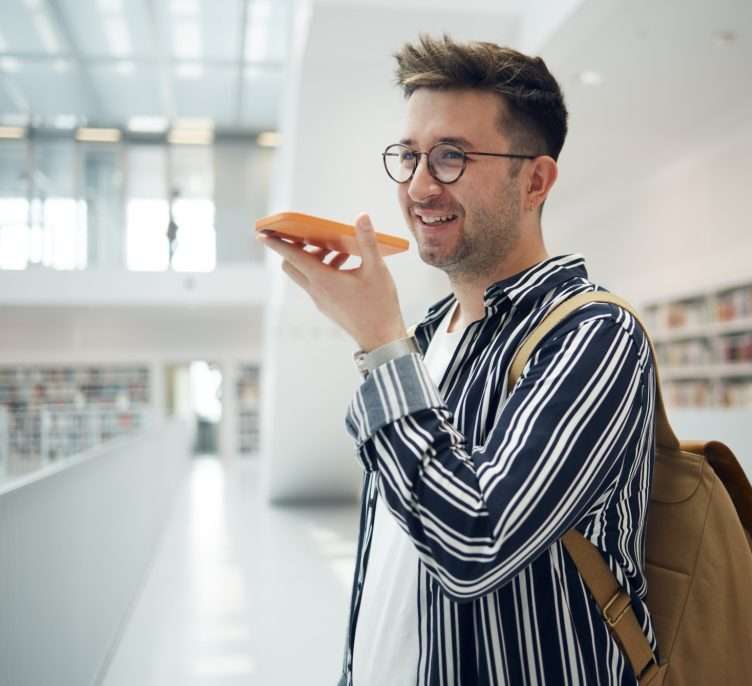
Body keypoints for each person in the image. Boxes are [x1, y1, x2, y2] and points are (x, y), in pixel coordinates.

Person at [259, 35, 657, 686]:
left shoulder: (595, 335)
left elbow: (475, 541)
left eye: (450, 157)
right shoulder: (428, 336)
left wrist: (379, 343)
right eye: (409, 156)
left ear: (535, 178)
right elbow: (395, 547)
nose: (419, 186)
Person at [166, 188, 180, 267]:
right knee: (172, 246)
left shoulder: (173, 205)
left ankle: (171, 262)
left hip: (172, 229)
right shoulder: (171, 205)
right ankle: (170, 262)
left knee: (174, 246)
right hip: (171, 229)